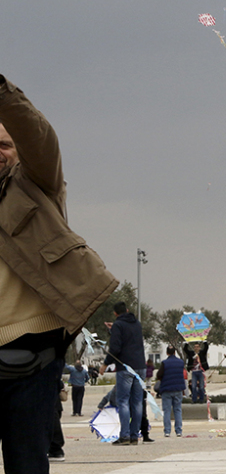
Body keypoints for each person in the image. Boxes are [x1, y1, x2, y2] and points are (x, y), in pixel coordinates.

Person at [0, 75, 118, 473]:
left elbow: (38, 138)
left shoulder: (36, 182)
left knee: (28, 463)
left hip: (32, 351)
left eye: (4, 144)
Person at [100, 301, 146, 446]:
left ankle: (124, 435)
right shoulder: (137, 324)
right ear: (127, 310)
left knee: (123, 401)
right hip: (140, 366)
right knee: (137, 402)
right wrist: (112, 330)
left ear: (115, 313)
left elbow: (115, 347)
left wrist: (105, 364)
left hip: (125, 367)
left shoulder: (118, 325)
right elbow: (129, 338)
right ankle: (134, 435)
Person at [155, 346, 186, 438]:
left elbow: (159, 375)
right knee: (177, 410)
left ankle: (167, 431)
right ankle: (178, 430)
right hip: (178, 388)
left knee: (167, 410)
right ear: (175, 352)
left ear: (167, 353)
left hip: (167, 389)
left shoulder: (164, 363)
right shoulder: (181, 362)